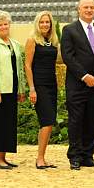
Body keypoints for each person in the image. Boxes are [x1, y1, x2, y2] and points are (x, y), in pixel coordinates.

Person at [60, 0, 94, 170]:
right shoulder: (69, 30)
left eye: (92, 7)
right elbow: (68, 57)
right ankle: (74, 156)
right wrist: (84, 76)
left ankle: (88, 155)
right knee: (76, 121)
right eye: (85, 7)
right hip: (77, 85)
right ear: (79, 10)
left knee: (93, 120)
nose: (89, 10)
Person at [0, 11, 26, 170]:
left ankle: (4, 158)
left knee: (8, 124)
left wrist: (21, 89)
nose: (3, 26)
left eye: (5, 24)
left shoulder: (14, 44)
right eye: (0, 24)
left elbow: (19, 69)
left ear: (9, 25)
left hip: (12, 90)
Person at [25, 11, 59, 169]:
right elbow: (27, 65)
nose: (45, 25)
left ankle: (42, 157)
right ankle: (39, 159)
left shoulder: (52, 41)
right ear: (37, 24)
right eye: (42, 22)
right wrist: (32, 88)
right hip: (39, 85)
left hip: (52, 84)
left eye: (47, 22)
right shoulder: (32, 40)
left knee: (49, 123)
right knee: (47, 121)